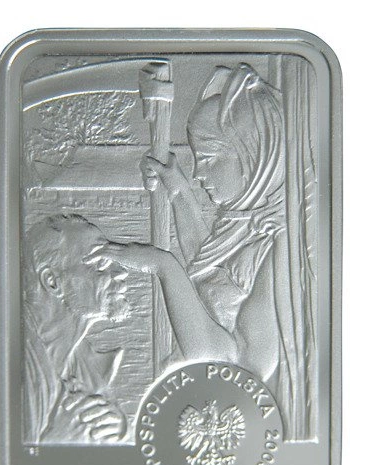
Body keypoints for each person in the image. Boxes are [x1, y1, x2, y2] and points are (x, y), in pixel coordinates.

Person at [85, 63, 286, 383]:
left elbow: (242, 368)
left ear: (252, 155)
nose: (199, 174)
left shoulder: (278, 244)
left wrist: (165, 267)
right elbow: (208, 268)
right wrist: (176, 187)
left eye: (207, 159)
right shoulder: (244, 224)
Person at [23, 214, 129, 445]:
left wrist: (114, 427)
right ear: (53, 281)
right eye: (100, 264)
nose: (121, 272)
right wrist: (60, 439)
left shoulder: (83, 362)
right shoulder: (14, 359)